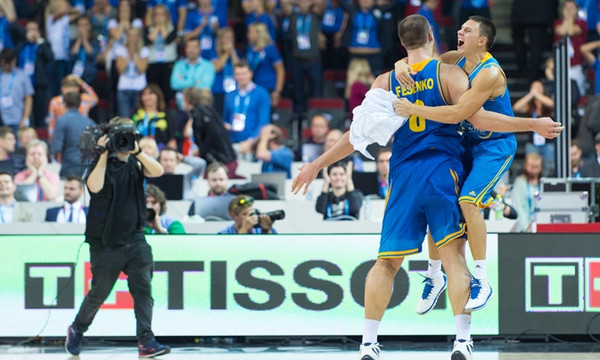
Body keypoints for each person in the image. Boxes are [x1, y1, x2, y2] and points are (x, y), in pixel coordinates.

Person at [292, 15, 473, 360]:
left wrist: (317, 164)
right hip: (441, 169)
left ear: (401, 44)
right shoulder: (450, 74)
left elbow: (356, 135)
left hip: (402, 173)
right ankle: (462, 341)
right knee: (453, 257)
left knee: (386, 262)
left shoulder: (386, 80)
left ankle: (368, 344)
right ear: (432, 36)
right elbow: (474, 115)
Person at [393, 15, 562, 314]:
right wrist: (400, 65)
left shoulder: (490, 73)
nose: (460, 31)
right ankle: (434, 275)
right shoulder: (454, 59)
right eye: (460, 28)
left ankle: (482, 279)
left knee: (468, 201)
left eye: (467, 30)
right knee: (439, 196)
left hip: (494, 146)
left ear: (482, 40)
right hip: (468, 142)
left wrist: (533, 124)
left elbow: (464, 114)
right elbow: (420, 59)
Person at [64, 116, 170, 358]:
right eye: (120, 136)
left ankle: (146, 341)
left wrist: (138, 150)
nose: (124, 141)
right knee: (99, 292)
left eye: (128, 135)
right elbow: (95, 187)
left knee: (143, 290)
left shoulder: (136, 161)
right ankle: (77, 329)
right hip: (106, 243)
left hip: (136, 238)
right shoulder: (100, 163)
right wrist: (102, 153)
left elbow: (159, 170)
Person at [280, 0, 325, 115]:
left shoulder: (315, 15)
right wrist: (298, 2)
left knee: (317, 92)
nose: (304, 3)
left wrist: (309, 2)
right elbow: (284, 3)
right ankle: (299, 120)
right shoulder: (294, 15)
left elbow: (321, 4)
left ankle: (317, 115)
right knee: (297, 92)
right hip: (297, 60)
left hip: (313, 60)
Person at [183, 87, 239, 177]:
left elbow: (214, 134)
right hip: (228, 159)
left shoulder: (199, 112)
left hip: (222, 162)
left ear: (188, 100)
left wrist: (201, 150)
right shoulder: (207, 110)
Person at [223, 61, 271, 159]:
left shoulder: (261, 94)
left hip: (253, 145)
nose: (240, 77)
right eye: (237, 74)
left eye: (243, 74)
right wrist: (225, 125)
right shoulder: (230, 95)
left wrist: (250, 141)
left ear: (250, 74)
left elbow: (263, 122)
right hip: (233, 143)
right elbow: (225, 119)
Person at [16, 20, 54, 128]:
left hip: (39, 86)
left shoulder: (44, 45)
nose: (32, 32)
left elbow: (50, 57)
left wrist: (39, 41)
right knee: (23, 117)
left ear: (39, 31)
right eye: (29, 29)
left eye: (34, 29)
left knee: (39, 117)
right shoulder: (22, 44)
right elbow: (15, 57)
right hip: (22, 87)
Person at [51, 91, 96, 178]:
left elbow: (56, 148)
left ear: (64, 104)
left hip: (69, 166)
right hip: (88, 167)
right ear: (80, 104)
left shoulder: (62, 120)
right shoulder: (90, 122)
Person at [47, 75, 99, 141]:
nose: (70, 94)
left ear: (77, 89)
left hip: (82, 134)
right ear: (62, 89)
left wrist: (81, 82)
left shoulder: (83, 99)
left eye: (72, 89)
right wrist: (52, 139)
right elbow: (52, 121)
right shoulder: (56, 102)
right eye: (68, 89)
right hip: (64, 136)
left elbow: (95, 99)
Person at [144, 4, 178, 105]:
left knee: (167, 92)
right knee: (154, 90)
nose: (159, 17)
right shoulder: (148, 29)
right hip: (153, 64)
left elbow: (167, 39)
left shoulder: (173, 28)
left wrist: (162, 26)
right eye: (157, 14)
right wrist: (156, 27)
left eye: (162, 14)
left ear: (167, 16)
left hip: (168, 64)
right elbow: (150, 40)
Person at [245, 22, 285, 106]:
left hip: (269, 87)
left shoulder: (270, 49)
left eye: (250, 32)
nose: (248, 35)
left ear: (259, 33)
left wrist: (278, 91)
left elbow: (280, 70)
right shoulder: (250, 50)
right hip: (254, 87)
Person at [554, 0, 588, 96]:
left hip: (576, 64)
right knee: (561, 93)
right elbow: (560, 32)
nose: (568, 10)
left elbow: (571, 31)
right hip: (560, 64)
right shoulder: (557, 22)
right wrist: (568, 19)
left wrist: (569, 19)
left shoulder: (581, 23)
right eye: (566, 8)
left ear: (577, 10)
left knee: (577, 93)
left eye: (571, 8)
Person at [170, 37, 216, 108]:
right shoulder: (179, 65)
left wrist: (184, 81)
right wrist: (195, 82)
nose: (191, 50)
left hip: (201, 105)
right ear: (185, 49)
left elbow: (206, 86)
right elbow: (174, 84)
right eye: (189, 47)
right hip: (181, 106)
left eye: (194, 47)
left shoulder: (208, 65)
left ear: (200, 49)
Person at [115, 27, 149, 117]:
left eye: (134, 36)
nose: (132, 39)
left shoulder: (144, 50)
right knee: (125, 118)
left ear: (139, 37)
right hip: (124, 89)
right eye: (129, 36)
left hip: (139, 88)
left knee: (138, 117)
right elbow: (121, 69)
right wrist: (129, 54)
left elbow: (141, 69)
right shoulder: (120, 50)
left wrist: (135, 53)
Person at [130, 84, 176, 150]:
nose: (147, 97)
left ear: (158, 96)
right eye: (144, 94)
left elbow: (172, 139)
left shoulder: (166, 113)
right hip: (139, 151)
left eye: (151, 94)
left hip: (160, 151)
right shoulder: (135, 113)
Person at [0, 48, 34, 135]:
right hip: (1, 118)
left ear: (14, 61)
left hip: (18, 119)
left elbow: (28, 98)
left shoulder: (22, 76)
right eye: (3, 64)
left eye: (8, 64)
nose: (6, 66)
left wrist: (25, 118)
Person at [211, 27, 241, 115]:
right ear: (220, 39)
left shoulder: (237, 53)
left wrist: (232, 52)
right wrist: (227, 53)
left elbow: (239, 67)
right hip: (218, 90)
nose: (230, 40)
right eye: (227, 37)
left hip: (234, 89)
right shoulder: (213, 52)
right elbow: (217, 68)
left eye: (231, 37)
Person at [511, 152, 543, 232]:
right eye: (532, 167)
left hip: (541, 228)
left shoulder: (543, 183)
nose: (534, 170)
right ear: (526, 165)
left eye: (537, 167)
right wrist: (526, 227)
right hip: (525, 229)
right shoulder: (520, 182)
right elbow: (517, 207)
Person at [69, 15, 100, 84]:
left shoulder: (95, 42)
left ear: (90, 26)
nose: (83, 28)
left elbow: (93, 56)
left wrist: (84, 40)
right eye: (80, 25)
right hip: (75, 76)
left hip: (91, 76)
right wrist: (79, 41)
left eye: (85, 25)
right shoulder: (72, 42)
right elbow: (71, 56)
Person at [345, 58, 374, 122]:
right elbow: (373, 97)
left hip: (359, 119)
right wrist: (373, 83)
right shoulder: (358, 85)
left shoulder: (354, 84)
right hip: (360, 120)